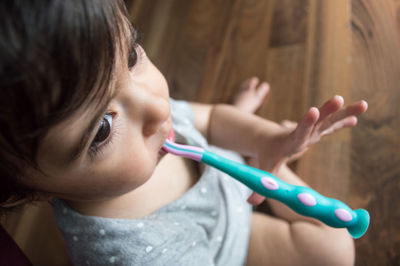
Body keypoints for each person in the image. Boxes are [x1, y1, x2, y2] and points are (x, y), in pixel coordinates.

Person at [0, 1, 368, 265]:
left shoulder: (140, 111)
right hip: (228, 240)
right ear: (25, 192)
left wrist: (268, 140)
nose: (160, 108)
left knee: (230, 132)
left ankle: (262, 157)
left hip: (227, 189)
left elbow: (209, 121)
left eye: (130, 56)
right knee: (335, 251)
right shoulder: (133, 253)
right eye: (102, 129)